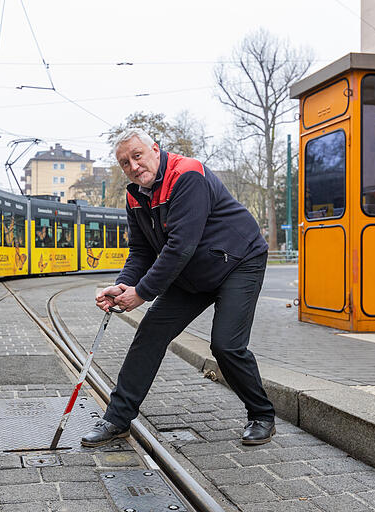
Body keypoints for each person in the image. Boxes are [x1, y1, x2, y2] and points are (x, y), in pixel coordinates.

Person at [81, 128, 274, 447]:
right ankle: (117, 420)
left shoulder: (187, 175)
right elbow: (141, 250)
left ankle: (262, 415)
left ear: (155, 150)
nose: (133, 166)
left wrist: (141, 294)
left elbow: (180, 246)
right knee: (150, 333)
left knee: (225, 345)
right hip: (192, 272)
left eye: (137, 155)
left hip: (238, 261)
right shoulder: (134, 196)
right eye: (125, 163)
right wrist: (123, 286)